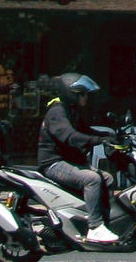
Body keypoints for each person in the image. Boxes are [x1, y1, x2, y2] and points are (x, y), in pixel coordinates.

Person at [38, 74, 109, 233]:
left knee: (107, 179)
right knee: (92, 180)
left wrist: (109, 137)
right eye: (82, 94)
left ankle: (103, 217)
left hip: (68, 162)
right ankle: (95, 226)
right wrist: (97, 140)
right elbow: (70, 136)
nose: (86, 98)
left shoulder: (72, 110)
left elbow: (85, 131)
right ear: (72, 94)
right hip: (54, 163)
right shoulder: (57, 111)